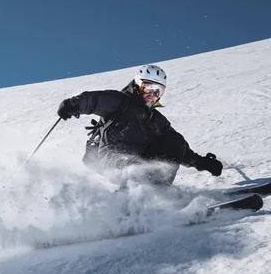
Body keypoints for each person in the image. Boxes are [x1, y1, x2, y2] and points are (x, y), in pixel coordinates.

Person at [57, 64, 223, 186]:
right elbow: (94, 100)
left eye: (158, 91)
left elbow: (180, 149)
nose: (152, 95)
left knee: (175, 140)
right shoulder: (119, 102)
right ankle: (126, 202)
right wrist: (74, 104)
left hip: (140, 158)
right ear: (138, 85)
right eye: (148, 88)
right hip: (112, 158)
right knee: (134, 167)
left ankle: (158, 193)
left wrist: (201, 162)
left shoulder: (156, 118)